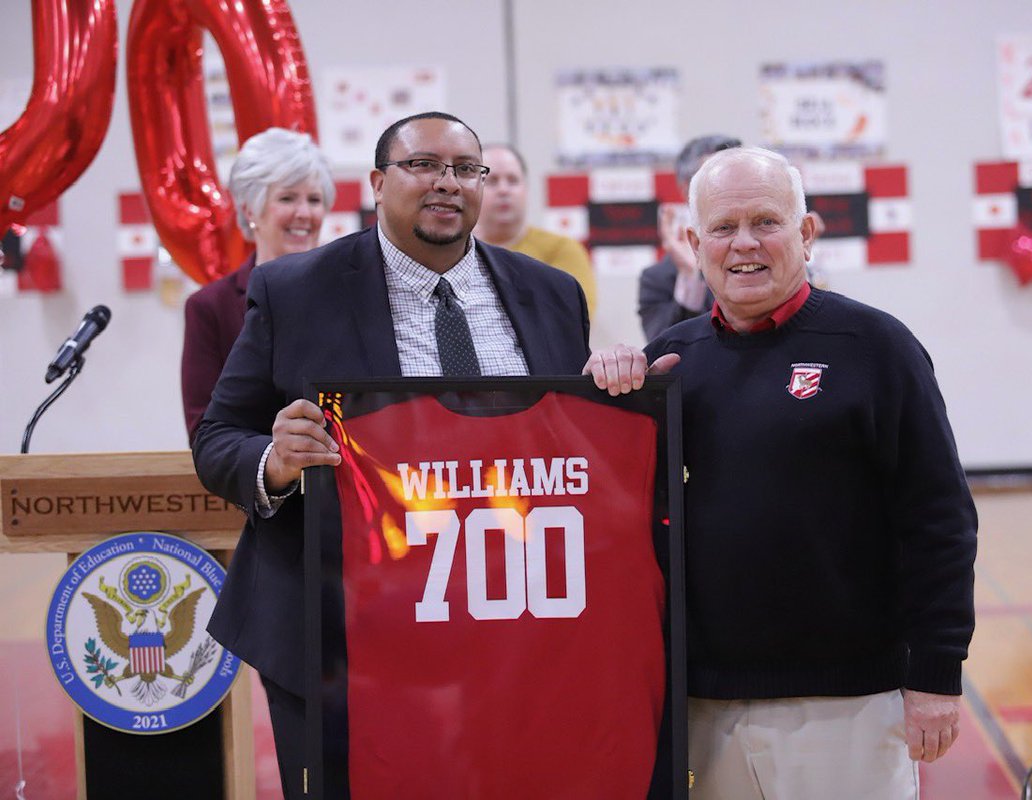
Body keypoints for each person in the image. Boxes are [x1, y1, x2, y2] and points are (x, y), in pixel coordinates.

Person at [192, 112, 590, 799]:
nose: (447, 183)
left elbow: (569, 446)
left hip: (509, 627)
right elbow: (219, 435)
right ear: (378, 182)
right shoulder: (295, 290)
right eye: (423, 165)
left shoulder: (552, 293)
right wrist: (276, 462)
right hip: (338, 636)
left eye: (466, 169)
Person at [586, 146, 977, 799]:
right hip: (702, 701)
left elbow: (939, 519)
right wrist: (603, 389)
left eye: (766, 222)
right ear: (692, 241)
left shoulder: (877, 347)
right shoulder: (669, 364)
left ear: (807, 232)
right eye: (722, 227)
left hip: (849, 699)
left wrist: (936, 675)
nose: (744, 244)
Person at [180, 127, 334, 444]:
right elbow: (204, 432)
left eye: (314, 200)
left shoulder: (350, 293)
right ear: (250, 209)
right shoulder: (210, 307)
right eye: (287, 198)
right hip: (261, 488)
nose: (304, 213)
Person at [636, 134, 740, 340]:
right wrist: (689, 277)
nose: (734, 191)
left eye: (740, 177)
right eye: (717, 179)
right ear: (687, 191)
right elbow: (665, 353)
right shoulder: (659, 279)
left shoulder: (773, 251)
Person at [476, 142, 598, 316]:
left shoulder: (561, 249)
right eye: (492, 181)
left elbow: (574, 317)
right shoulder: (455, 253)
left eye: (513, 180)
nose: (504, 190)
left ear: (526, 189)